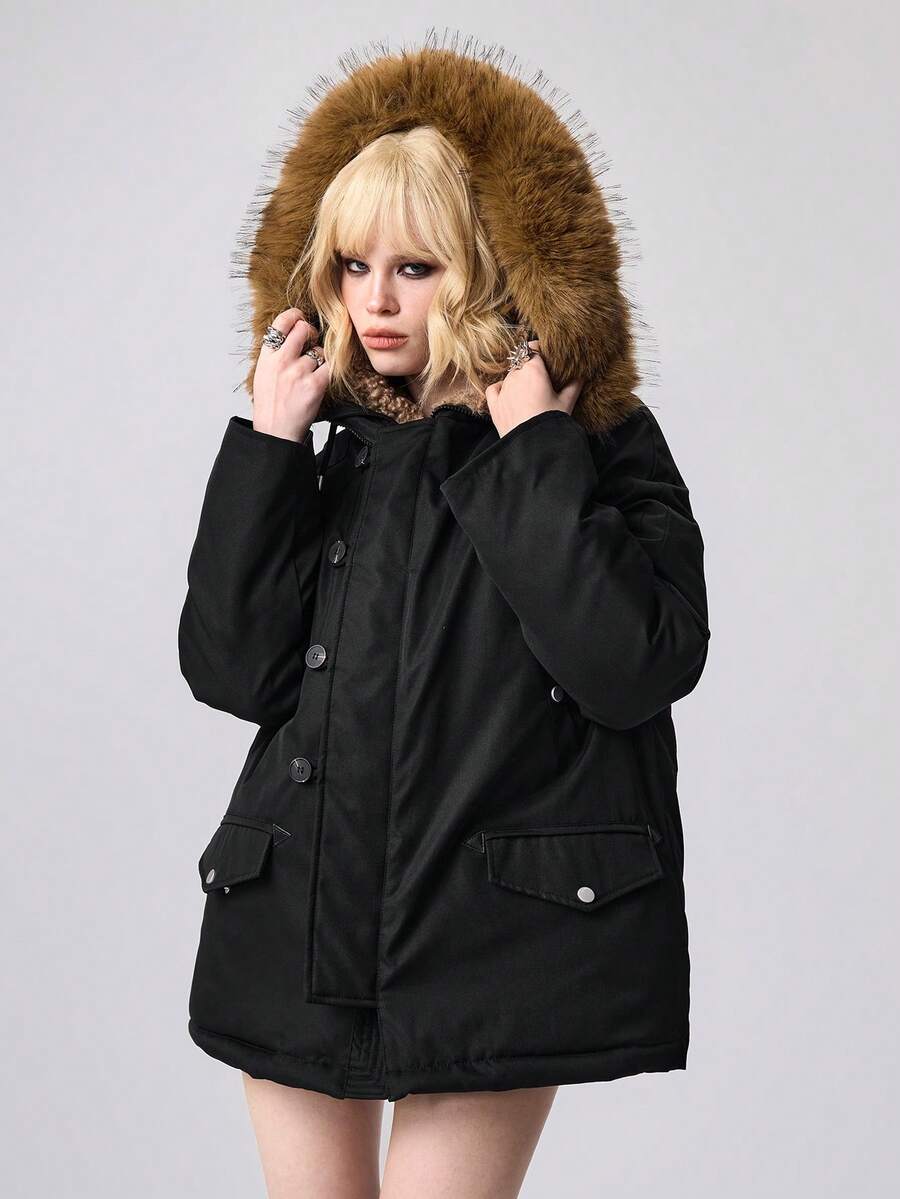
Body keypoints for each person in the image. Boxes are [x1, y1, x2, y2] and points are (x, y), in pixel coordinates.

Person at [178, 37, 710, 1199]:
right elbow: (231, 670)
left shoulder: (592, 440)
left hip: (493, 938)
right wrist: (270, 448)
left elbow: (633, 665)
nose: (374, 300)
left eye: (415, 267)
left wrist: (536, 452)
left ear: (484, 264)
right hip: (296, 921)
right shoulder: (329, 450)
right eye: (352, 263)